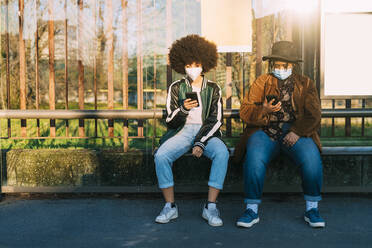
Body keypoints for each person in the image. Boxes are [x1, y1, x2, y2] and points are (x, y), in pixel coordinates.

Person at [234, 41, 325, 228]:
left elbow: (314, 115)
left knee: (311, 157)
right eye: (277, 64)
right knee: (255, 156)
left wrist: (297, 131)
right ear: (272, 64)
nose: (281, 68)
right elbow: (245, 111)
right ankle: (251, 210)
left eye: (285, 65)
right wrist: (264, 110)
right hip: (265, 130)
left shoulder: (305, 83)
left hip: (296, 132)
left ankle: (312, 209)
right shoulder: (262, 81)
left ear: (292, 65)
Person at [154, 34, 229, 227]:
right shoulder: (176, 87)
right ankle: (170, 206)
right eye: (188, 65)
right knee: (161, 156)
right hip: (182, 131)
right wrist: (184, 109)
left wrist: (200, 142)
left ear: (204, 64)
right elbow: (170, 121)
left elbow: (216, 120)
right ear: (182, 66)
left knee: (221, 153)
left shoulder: (214, 88)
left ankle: (211, 206)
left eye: (196, 64)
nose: (192, 68)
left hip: (207, 132)